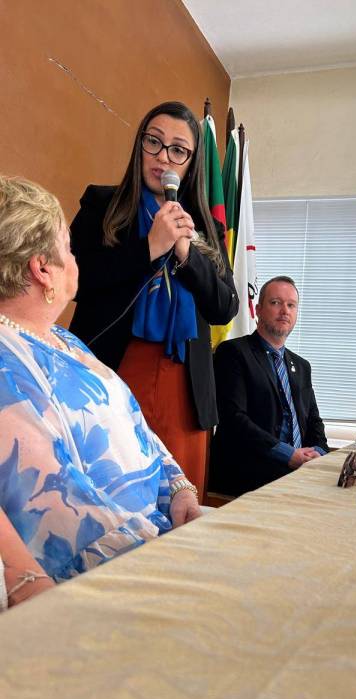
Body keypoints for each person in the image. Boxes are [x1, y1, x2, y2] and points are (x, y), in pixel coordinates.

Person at [0, 175, 200, 592]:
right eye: (69, 248)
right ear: (42, 269)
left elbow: (135, 425)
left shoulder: (64, 338)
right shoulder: (6, 362)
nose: (76, 259)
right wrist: (172, 555)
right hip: (121, 570)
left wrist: (179, 488)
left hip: (162, 531)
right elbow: (59, 506)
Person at [69, 101, 238, 503]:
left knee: (180, 509)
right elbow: (73, 280)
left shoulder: (207, 226)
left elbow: (225, 307)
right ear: (139, 145)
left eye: (178, 150)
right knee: (113, 502)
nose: (163, 157)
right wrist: (149, 248)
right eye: (154, 142)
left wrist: (187, 255)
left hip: (185, 386)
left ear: (191, 164)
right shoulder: (102, 205)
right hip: (113, 368)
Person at [209, 276, 328, 496]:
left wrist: (318, 454)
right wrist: (288, 454)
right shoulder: (233, 353)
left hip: (298, 474)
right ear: (258, 310)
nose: (285, 311)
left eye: (291, 305)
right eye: (275, 303)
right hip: (250, 475)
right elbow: (234, 419)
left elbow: (314, 422)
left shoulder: (302, 366)